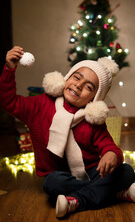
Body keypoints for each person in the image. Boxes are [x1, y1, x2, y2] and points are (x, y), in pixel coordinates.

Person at [0, 46, 135, 218]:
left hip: (92, 171)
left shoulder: (91, 119)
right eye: (76, 77)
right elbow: (7, 102)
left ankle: (77, 200)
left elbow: (108, 144)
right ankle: (114, 193)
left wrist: (111, 154)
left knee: (126, 171)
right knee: (52, 184)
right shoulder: (40, 104)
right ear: (67, 77)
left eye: (89, 87)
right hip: (59, 175)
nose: (78, 85)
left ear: (94, 98)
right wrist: (9, 69)